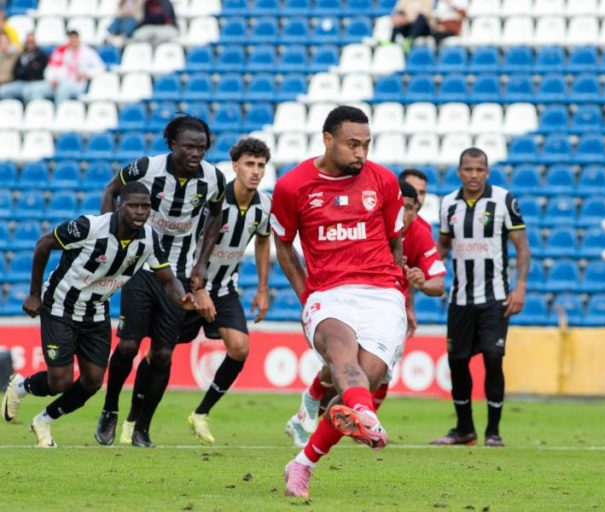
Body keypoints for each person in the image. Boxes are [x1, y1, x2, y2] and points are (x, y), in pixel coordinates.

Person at [271, 106, 406, 497]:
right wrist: (306, 295)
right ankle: (365, 413)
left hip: (382, 294)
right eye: (352, 144)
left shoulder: (383, 180)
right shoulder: (292, 186)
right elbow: (283, 246)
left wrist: (396, 287)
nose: (360, 153)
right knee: (341, 355)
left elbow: (395, 241)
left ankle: (303, 463)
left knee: (364, 380)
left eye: (366, 145)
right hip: (328, 294)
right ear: (327, 139)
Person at [0, 182, 198, 447]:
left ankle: (44, 420)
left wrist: (182, 297)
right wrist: (34, 294)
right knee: (60, 381)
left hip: (95, 312)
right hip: (60, 306)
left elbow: (167, 278)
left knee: (93, 381)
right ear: (120, 207)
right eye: (134, 206)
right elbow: (44, 243)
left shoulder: (149, 238)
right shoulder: (89, 227)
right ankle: (20, 387)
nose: (140, 212)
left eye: (145, 206)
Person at [94, 115, 226, 448]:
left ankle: (142, 427)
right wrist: (113, 237)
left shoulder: (213, 178)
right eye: (189, 146)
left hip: (178, 274)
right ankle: (110, 409)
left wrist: (202, 262)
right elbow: (111, 190)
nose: (196, 153)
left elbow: (216, 216)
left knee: (163, 355)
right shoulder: (146, 168)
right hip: (141, 267)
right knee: (127, 346)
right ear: (172, 144)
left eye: (201, 147)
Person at [284, 180, 446, 448]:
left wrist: (420, 286)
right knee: (347, 365)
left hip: (388, 311)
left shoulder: (420, 232)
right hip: (352, 303)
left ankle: (342, 419)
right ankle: (318, 403)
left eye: (410, 208)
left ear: (417, 210)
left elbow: (438, 284)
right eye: (400, 206)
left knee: (371, 375)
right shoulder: (369, 225)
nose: (403, 213)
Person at [173, 137, 272, 446]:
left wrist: (263, 288)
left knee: (240, 348)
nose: (255, 171)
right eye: (249, 164)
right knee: (161, 350)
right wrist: (195, 285)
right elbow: (190, 241)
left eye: (260, 165)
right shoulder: (214, 201)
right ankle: (135, 418)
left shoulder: (265, 205)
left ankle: (201, 413)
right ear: (235, 166)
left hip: (225, 287)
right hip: (191, 285)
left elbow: (263, 240)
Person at [430, 147, 529, 448]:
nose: (474, 175)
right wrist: (428, 266)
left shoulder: (504, 200)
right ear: (459, 172)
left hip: (495, 298)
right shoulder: (448, 204)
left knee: (493, 357)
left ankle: (493, 432)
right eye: (468, 169)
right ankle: (465, 430)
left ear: (487, 172)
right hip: (460, 299)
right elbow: (444, 245)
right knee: (458, 363)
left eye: (479, 170)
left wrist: (520, 287)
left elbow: (522, 247)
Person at [25, 30, 104, 104]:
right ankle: (40, 112)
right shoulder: (61, 51)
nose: (72, 40)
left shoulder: (87, 52)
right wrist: (52, 79)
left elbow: (100, 67)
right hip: (57, 83)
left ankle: (59, 112)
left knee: (62, 90)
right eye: (70, 38)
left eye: (74, 38)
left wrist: (86, 73)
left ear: (78, 39)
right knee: (37, 90)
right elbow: (50, 68)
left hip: (76, 84)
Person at [0, 33, 47, 101]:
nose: (30, 44)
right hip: (20, 82)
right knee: (3, 91)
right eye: (28, 42)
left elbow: (37, 72)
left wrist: (24, 70)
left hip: (34, 83)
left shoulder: (41, 55)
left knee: (29, 92)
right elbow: (16, 71)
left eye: (32, 42)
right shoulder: (22, 55)